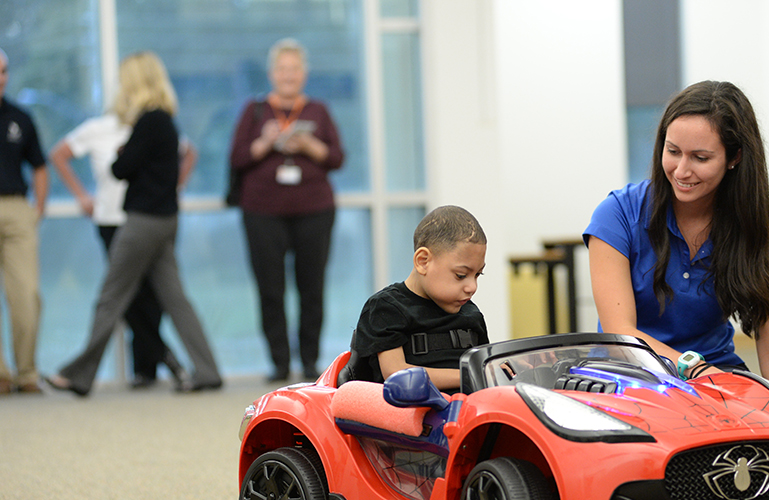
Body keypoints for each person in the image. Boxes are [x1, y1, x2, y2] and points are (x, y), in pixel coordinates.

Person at [583, 80, 769, 399]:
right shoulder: (617, 214)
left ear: (734, 157)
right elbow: (621, 333)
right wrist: (695, 370)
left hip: (717, 377)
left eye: (700, 157)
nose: (681, 170)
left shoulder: (756, 231)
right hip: (630, 376)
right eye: (673, 152)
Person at [45, 51, 221, 396]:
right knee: (176, 300)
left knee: (111, 297)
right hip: (166, 220)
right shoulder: (167, 122)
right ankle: (207, 370)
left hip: (142, 221)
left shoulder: (149, 121)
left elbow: (119, 170)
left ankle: (78, 375)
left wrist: (124, 153)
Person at [228, 38, 344, 383]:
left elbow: (337, 158)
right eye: (282, 69)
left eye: (294, 69)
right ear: (271, 74)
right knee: (270, 289)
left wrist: (309, 144)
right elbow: (237, 158)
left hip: (315, 209)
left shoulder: (318, 111)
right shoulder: (254, 110)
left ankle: (310, 363)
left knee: (312, 287)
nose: (288, 75)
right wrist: (265, 143)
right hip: (262, 212)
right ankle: (279, 363)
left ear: (304, 74)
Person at [352, 205, 489, 392]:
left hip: (469, 413)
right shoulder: (386, 308)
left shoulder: (471, 313)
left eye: (477, 275)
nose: (472, 287)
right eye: (460, 275)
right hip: (410, 412)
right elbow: (397, 375)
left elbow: (485, 366)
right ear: (423, 261)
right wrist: (470, 375)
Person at [0, 48, 48, 395]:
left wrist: (38, 209)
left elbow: (40, 166)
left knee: (27, 294)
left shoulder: (20, 117)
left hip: (16, 209)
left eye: (3, 71)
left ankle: (26, 372)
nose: (0, 78)